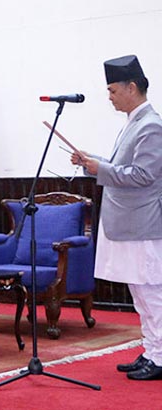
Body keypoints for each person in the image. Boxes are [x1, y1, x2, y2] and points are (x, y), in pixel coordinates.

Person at [71, 55, 162, 381]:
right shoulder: (135, 123)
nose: (109, 97)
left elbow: (142, 176)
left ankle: (160, 355)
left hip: (142, 225)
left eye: (112, 90)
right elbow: (120, 167)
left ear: (131, 87)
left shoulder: (151, 126)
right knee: (141, 294)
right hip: (130, 224)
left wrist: (101, 169)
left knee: (151, 293)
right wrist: (91, 162)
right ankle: (152, 351)